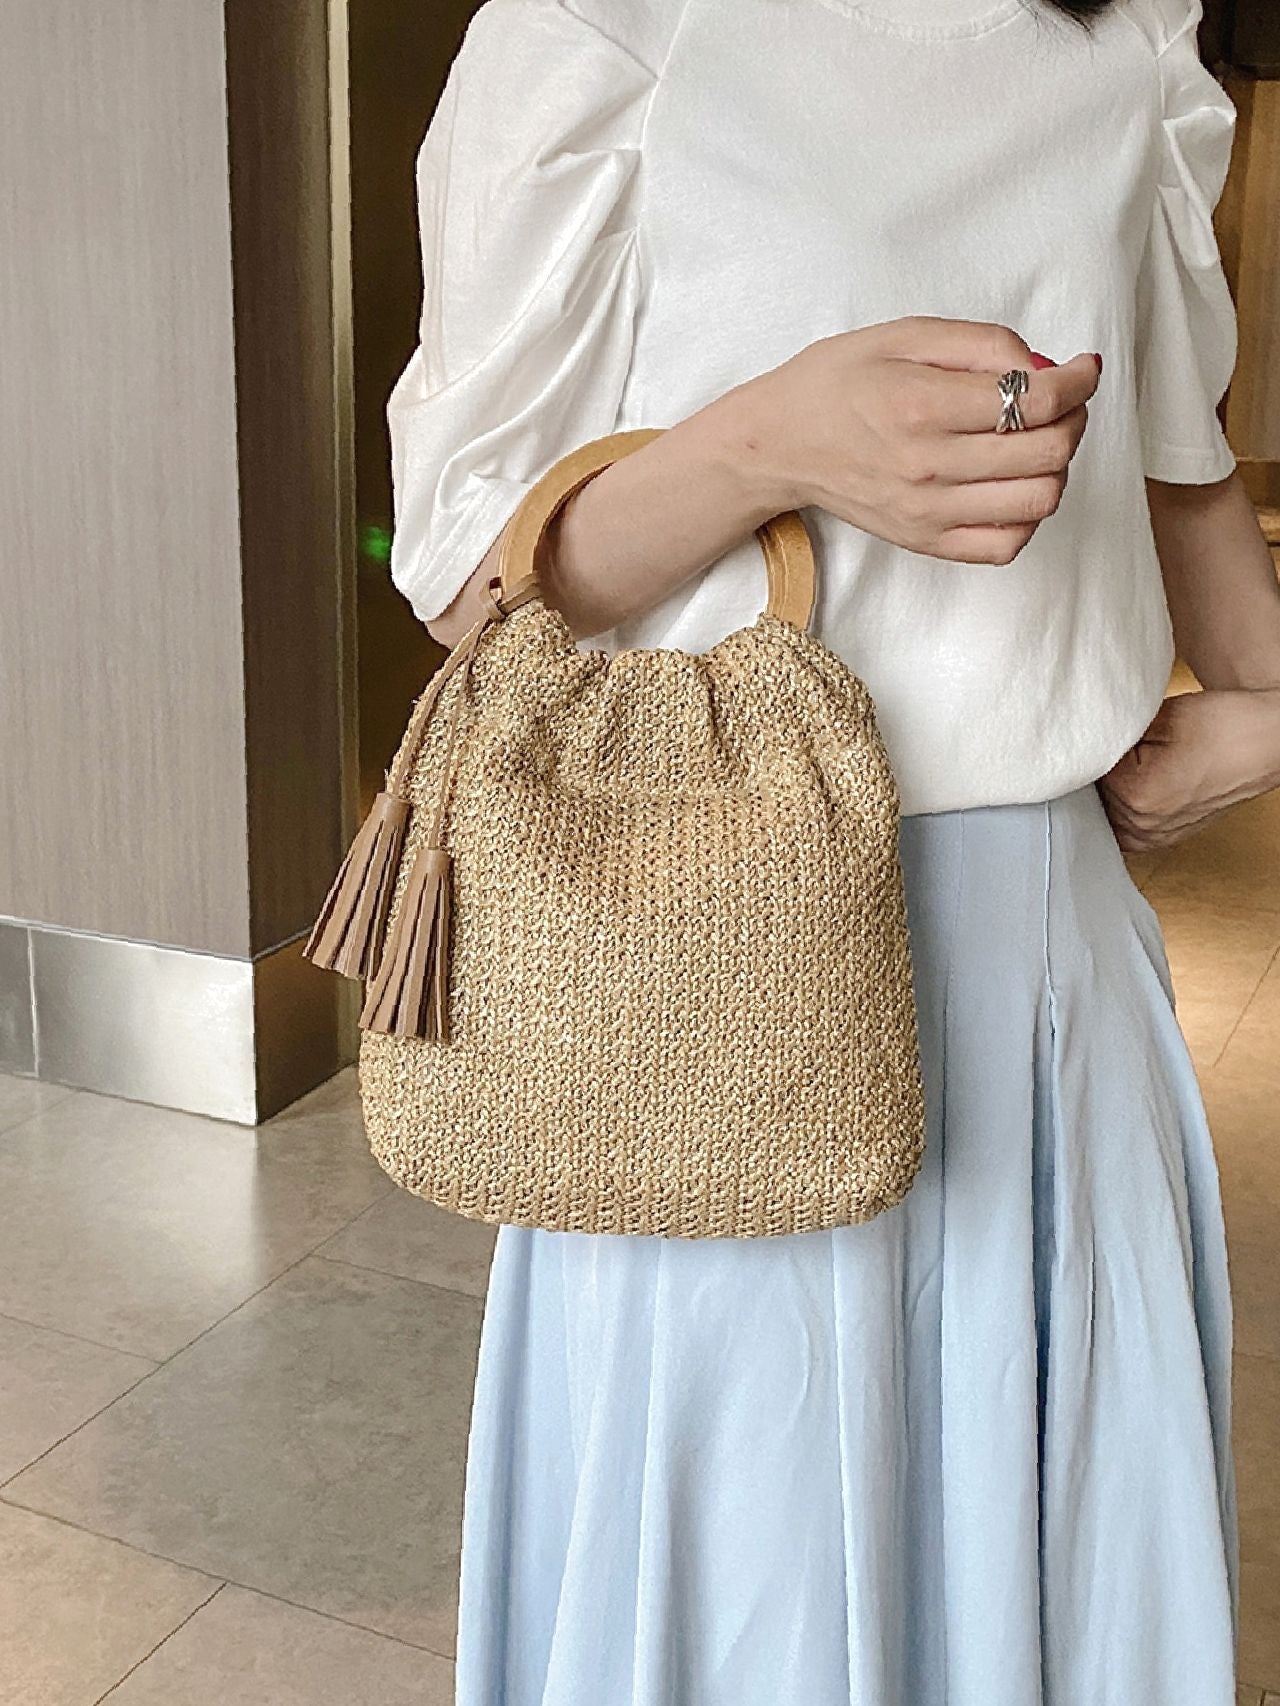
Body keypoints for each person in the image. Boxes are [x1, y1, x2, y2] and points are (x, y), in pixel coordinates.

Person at [384, 0, 1280, 1699]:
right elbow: (464, 580)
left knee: (1061, 1570)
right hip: (715, 959)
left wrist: (1257, 726)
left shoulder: (1127, 47)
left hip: (1044, 977)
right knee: (750, 1591)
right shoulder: (605, 29)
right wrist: (768, 445)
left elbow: (1185, 484)